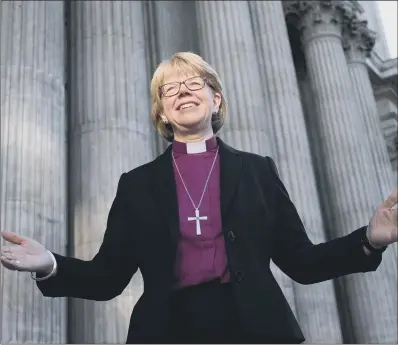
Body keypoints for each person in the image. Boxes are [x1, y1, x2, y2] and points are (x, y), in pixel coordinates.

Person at [1, 52, 397, 344]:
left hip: (257, 329)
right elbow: (108, 277)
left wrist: (369, 240)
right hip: (168, 331)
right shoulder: (136, 185)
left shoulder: (258, 171)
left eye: (194, 84)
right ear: (162, 111)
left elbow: (303, 262)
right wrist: (49, 263)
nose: (183, 93)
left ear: (216, 99)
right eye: (169, 89)